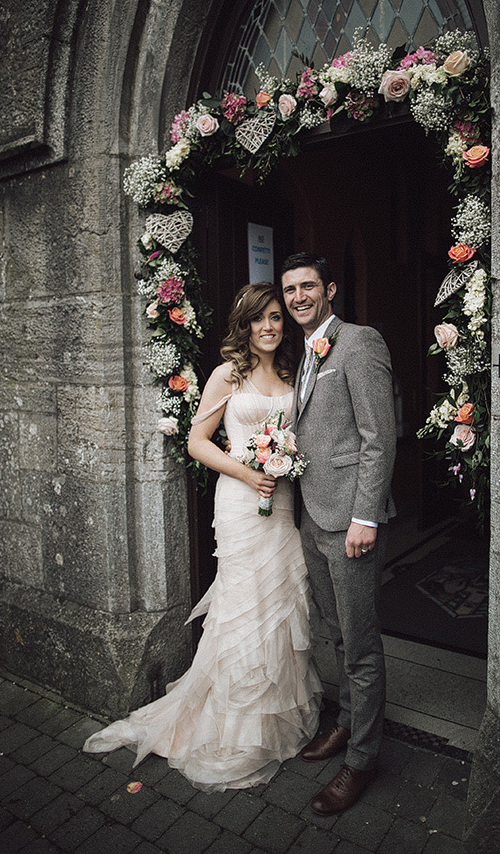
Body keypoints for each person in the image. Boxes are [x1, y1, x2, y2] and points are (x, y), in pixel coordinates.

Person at [83, 282, 321, 791]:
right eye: (260, 319)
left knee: (277, 603)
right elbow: (196, 443)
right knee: (242, 607)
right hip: (240, 499)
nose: (270, 327)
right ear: (245, 324)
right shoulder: (225, 376)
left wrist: (281, 463)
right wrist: (245, 470)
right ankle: (234, 725)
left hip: (279, 503)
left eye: (277, 318)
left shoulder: (291, 373)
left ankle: (271, 718)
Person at [281, 252, 397, 816]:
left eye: (308, 287)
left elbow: (379, 436)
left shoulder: (359, 341)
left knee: (361, 642)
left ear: (329, 289)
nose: (299, 297)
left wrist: (365, 517)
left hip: (350, 521)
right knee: (335, 633)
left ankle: (364, 759)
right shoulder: (301, 354)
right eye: (290, 290)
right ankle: (348, 724)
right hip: (311, 517)